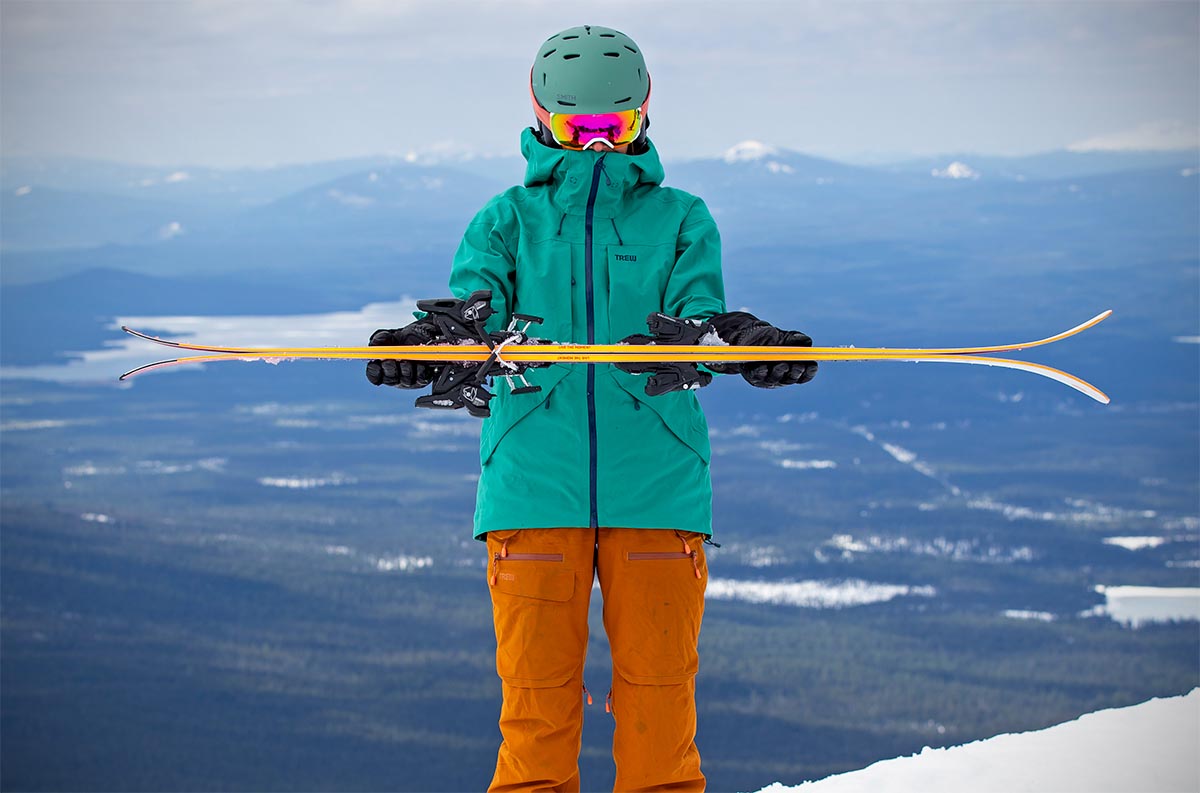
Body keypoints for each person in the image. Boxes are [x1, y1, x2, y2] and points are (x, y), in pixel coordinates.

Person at [367, 24, 816, 792]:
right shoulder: (506, 220)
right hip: (534, 488)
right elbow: (478, 314)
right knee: (537, 709)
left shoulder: (681, 217)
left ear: (645, 115)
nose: (601, 147)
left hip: (659, 487)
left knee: (659, 706)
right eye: (583, 130)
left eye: (619, 127)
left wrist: (742, 341)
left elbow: (693, 321)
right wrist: (430, 345)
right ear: (543, 119)